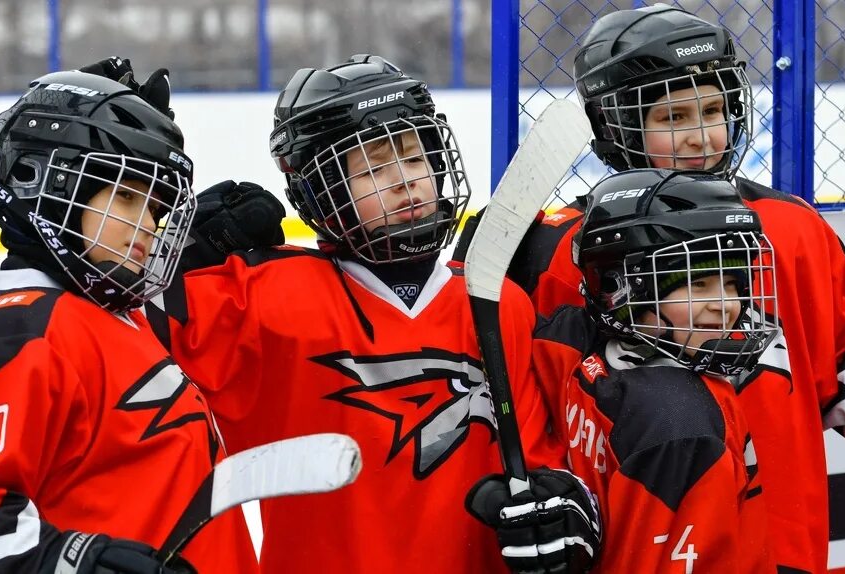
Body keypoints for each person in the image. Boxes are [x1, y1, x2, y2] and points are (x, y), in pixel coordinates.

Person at [453, 5, 845, 572]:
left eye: (713, 109)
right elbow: (533, 414)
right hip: (639, 551)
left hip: (782, 552)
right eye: (672, 117)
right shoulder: (556, 251)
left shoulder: (794, 229)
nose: (701, 136)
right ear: (613, 124)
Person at [147, 54, 601, 573]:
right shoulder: (260, 298)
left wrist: (563, 509)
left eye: (413, 159)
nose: (406, 182)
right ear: (319, 191)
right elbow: (106, 331)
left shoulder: (499, 305)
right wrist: (162, 243)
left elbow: (540, 460)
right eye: (373, 169)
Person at [0, 70, 257, 573]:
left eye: (155, 207)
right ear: (46, 183)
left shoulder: (115, 317)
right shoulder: (19, 334)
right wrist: (78, 563)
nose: (151, 226)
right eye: (128, 197)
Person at [482, 168, 777, 572]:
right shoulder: (575, 344)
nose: (724, 305)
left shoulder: (677, 421)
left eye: (732, 283)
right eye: (698, 282)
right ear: (620, 286)